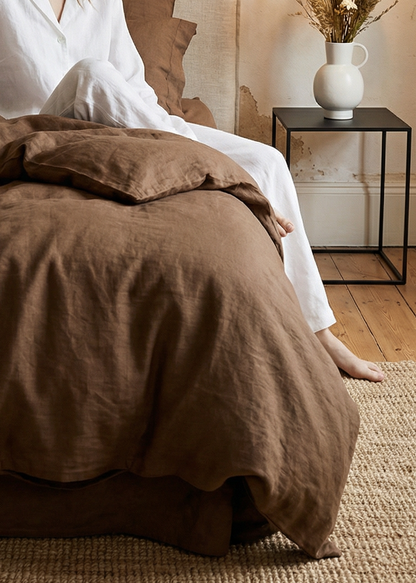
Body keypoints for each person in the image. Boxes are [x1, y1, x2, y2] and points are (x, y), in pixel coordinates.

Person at [0, 0, 384, 381]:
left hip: (115, 133)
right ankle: (215, 167)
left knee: (268, 161)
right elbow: (96, 82)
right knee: (90, 72)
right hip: (36, 134)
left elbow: (132, 87)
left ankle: (319, 333)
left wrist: (159, 129)